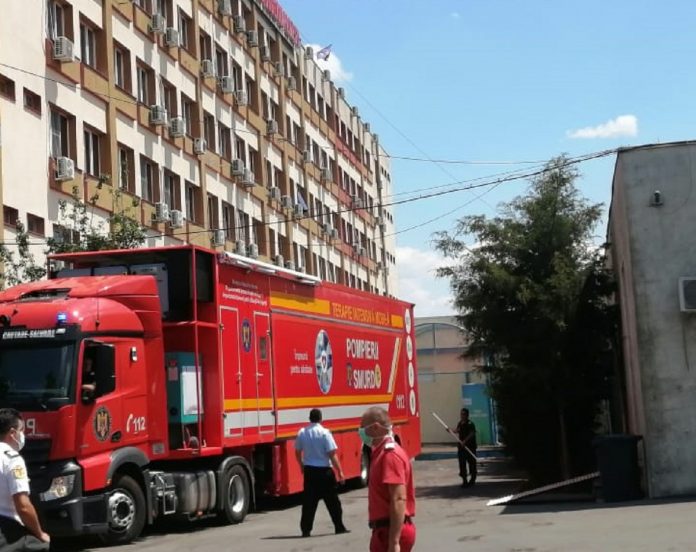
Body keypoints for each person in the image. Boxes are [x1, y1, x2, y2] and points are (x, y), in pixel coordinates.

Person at [360, 406, 416, 552]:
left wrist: (394, 541)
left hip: (390, 531)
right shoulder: (380, 453)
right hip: (384, 530)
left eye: (363, 427)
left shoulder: (389, 455)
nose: (360, 432)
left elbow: (398, 498)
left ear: (376, 427)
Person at [0, 408, 50, 551]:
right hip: (5, 529)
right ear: (12, 433)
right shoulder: (12, 459)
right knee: (40, 546)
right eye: (21, 430)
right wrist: (40, 534)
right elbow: (23, 506)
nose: (23, 435)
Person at [294, 408, 349, 537]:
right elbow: (332, 454)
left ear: (309, 418)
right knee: (333, 502)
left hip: (310, 471)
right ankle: (339, 526)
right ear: (320, 419)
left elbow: (297, 451)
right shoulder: (325, 433)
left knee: (309, 503)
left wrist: (301, 464)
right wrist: (340, 472)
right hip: (325, 472)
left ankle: (306, 530)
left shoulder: (302, 432)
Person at [454, 407, 477, 487]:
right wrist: (450, 430)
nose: (462, 415)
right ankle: (464, 480)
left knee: (472, 463)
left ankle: (473, 479)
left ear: (467, 415)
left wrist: (465, 441)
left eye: (463, 414)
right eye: (461, 414)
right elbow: (457, 430)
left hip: (470, 447)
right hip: (462, 448)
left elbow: (472, 433)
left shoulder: (470, 424)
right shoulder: (460, 423)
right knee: (462, 463)